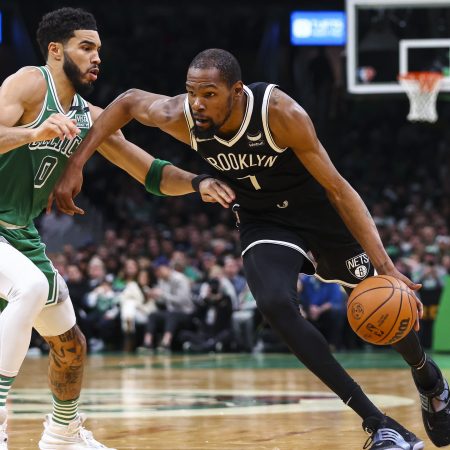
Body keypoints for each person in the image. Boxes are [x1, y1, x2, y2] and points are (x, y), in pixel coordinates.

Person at [52, 48, 450, 449]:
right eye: (192, 92)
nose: (197, 103)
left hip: (322, 216)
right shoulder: (183, 116)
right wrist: (76, 164)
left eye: (208, 94)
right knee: (275, 305)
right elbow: (126, 103)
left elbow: (337, 187)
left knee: (388, 306)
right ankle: (379, 424)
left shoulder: (279, 112)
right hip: (264, 221)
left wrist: (385, 265)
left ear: (237, 91)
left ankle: (427, 378)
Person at [0, 11, 234, 450]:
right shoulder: (30, 82)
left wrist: (199, 183)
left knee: (70, 345)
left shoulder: (89, 117)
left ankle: (62, 434)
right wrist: (33, 132)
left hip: (19, 234)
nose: (96, 57)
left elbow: (145, 169)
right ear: (55, 50)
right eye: (86, 47)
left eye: (99, 50)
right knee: (29, 287)